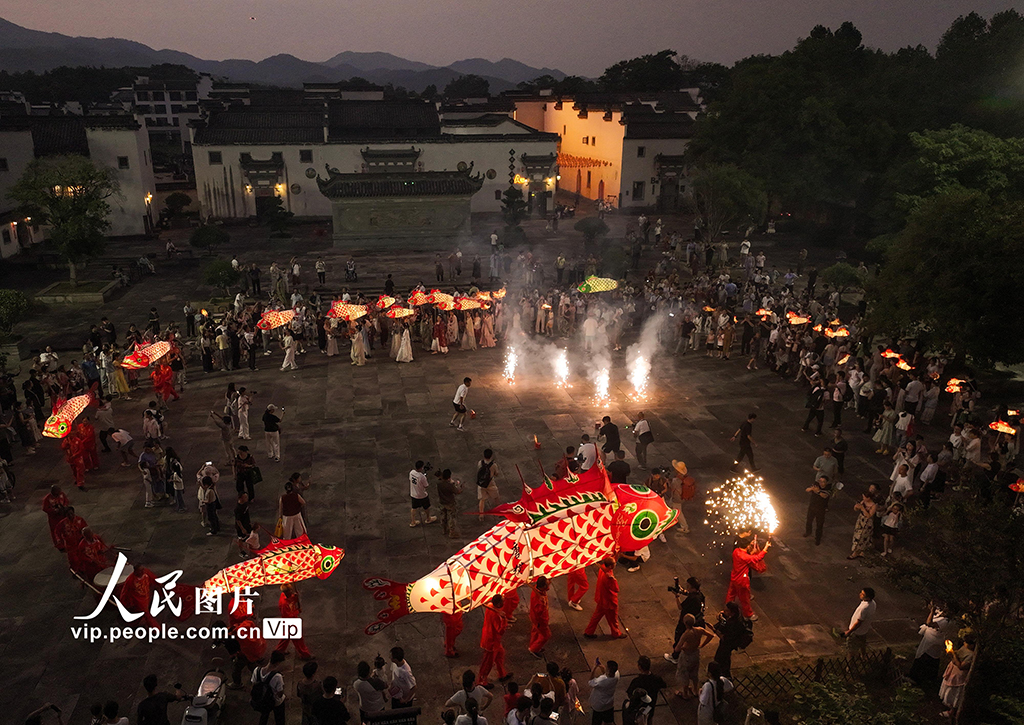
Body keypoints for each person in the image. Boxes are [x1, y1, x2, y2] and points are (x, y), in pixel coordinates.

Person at [909, 604, 953, 690]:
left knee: (927, 657)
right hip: (929, 639)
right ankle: (923, 677)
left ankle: (917, 678)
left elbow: (929, 623)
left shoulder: (945, 622)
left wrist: (931, 612)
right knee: (925, 656)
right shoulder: (941, 614)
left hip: (933, 642)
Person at [726, 535, 770, 620]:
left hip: (734, 577)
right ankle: (748, 614)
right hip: (742, 581)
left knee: (731, 594)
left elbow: (747, 557)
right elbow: (757, 558)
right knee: (745, 599)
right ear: (747, 546)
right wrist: (765, 548)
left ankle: (728, 606)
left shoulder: (736, 551)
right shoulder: (745, 557)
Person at [584, 559, 624, 638]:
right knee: (613, 619)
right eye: (614, 563)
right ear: (610, 566)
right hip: (609, 601)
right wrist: (614, 580)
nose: (615, 564)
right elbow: (616, 589)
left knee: (596, 616)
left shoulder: (602, 569)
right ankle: (616, 633)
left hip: (601, 599)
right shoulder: (609, 577)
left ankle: (589, 632)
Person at [667, 577, 706, 661]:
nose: (687, 588)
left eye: (688, 586)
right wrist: (681, 591)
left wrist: (677, 596)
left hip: (685, 621)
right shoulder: (700, 595)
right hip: (694, 620)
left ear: (692, 587)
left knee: (679, 637)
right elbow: (689, 593)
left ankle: (675, 657)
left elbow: (680, 607)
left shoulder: (692, 599)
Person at [939, 634, 976, 717]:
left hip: (958, 676)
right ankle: (948, 707)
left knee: (954, 693)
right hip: (953, 672)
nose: (964, 644)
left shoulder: (971, 655)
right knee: (948, 690)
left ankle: (952, 712)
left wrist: (953, 654)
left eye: (966, 643)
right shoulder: (964, 648)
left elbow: (961, 666)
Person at [478, 595, 511, 688]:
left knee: (500, 655)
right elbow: (499, 630)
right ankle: (481, 681)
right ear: (499, 604)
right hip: (491, 642)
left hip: (493, 640)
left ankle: (502, 674)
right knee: (487, 663)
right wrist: (504, 621)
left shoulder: (490, 606)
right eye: (503, 601)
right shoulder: (495, 615)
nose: (504, 603)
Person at [711, 602, 748, 677]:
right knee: (726, 659)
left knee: (720, 659)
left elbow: (723, 637)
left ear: (732, 612)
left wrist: (714, 630)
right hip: (730, 643)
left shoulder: (733, 624)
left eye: (727, 611)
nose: (724, 612)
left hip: (728, 644)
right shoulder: (737, 616)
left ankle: (721, 676)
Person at [836, 587, 876, 654]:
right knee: (862, 644)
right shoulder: (873, 603)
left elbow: (859, 622)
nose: (860, 594)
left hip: (856, 632)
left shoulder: (864, 608)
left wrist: (849, 631)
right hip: (864, 630)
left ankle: (851, 662)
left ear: (868, 598)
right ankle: (863, 657)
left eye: (863, 594)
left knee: (851, 649)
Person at [252, 650, 288, 725]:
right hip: (276, 702)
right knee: (279, 719)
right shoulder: (277, 676)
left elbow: (253, 685)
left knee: (264, 717)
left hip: (263, 700)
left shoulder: (256, 671)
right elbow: (280, 694)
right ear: (278, 663)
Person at [627, 657, 666, 725]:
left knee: (640, 719)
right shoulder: (656, 678)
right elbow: (664, 685)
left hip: (639, 706)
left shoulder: (637, 681)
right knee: (648, 717)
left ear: (639, 667)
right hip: (650, 705)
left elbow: (629, 693)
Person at [587, 659, 619, 725]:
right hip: (609, 703)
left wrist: (594, 668)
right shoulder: (617, 675)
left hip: (599, 704)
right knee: (608, 721)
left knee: (596, 722)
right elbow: (607, 674)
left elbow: (590, 682)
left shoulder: (601, 680)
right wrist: (602, 667)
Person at [804, 475, 832, 545]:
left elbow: (825, 495)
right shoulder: (816, 485)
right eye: (820, 481)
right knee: (809, 520)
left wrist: (818, 491)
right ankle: (808, 532)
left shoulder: (828, 489)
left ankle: (818, 539)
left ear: (826, 482)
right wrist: (812, 489)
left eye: (823, 482)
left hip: (821, 509)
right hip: (812, 507)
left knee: (819, 525)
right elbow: (807, 490)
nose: (821, 483)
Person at [848, 491, 877, 559]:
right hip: (861, 520)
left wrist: (863, 509)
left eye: (865, 497)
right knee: (857, 534)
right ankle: (860, 551)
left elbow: (869, 515)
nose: (863, 498)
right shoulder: (863, 501)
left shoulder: (873, 505)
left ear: (869, 498)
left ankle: (856, 553)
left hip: (867, 523)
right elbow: (856, 509)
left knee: (862, 537)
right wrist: (856, 507)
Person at [527, 576, 551, 657]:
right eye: (547, 584)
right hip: (540, 621)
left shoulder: (536, 590)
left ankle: (532, 645)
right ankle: (534, 648)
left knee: (535, 631)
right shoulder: (539, 601)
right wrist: (545, 622)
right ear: (543, 587)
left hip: (534, 618)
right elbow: (540, 614)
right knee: (546, 635)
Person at [409, 460, 437, 527]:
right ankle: (428, 518)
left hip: (413, 494)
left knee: (414, 508)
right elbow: (426, 485)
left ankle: (413, 522)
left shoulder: (411, 472)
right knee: (426, 507)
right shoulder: (422, 477)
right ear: (421, 467)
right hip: (422, 495)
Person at [436, 468, 463, 538]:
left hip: (442, 502)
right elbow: (457, 492)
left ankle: (444, 529)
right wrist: (461, 488)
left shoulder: (439, 483)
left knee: (443, 516)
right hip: (450, 503)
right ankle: (452, 532)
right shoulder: (449, 485)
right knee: (451, 517)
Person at [476, 448, 501, 519]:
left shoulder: (480, 462)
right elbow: (496, 474)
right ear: (491, 456)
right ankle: (498, 512)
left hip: (481, 483)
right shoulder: (493, 465)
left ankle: (481, 515)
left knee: (482, 499)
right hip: (490, 483)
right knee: (496, 497)